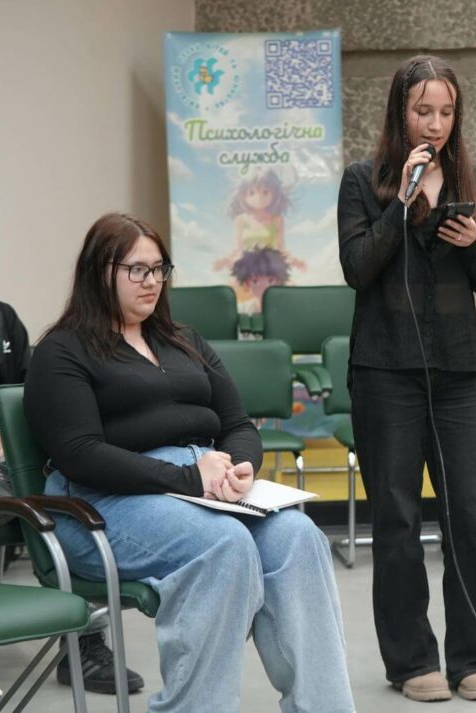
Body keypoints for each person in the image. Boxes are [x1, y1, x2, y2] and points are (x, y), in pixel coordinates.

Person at [24, 213, 354, 712]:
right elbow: (81, 454)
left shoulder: (183, 340)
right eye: (137, 269)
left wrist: (241, 467)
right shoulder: (62, 351)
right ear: (99, 272)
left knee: (300, 537)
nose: (152, 281)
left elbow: (237, 423)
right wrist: (186, 478)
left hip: (199, 487)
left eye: (159, 268)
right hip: (101, 502)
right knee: (223, 545)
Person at [338, 55, 476, 703]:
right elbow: (357, 267)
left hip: (459, 371)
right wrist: (402, 204)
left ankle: (472, 657)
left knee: (473, 517)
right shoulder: (364, 180)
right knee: (398, 521)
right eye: (422, 111)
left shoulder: (475, 181)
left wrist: (472, 243)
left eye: (445, 111)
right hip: (385, 372)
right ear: (399, 113)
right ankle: (410, 661)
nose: (435, 124)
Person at [0, 291, 146, 695]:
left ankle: (83, 648)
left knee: (69, 484)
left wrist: (11, 439)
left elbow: (33, 395)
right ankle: (0, 486)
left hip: (8, 451)